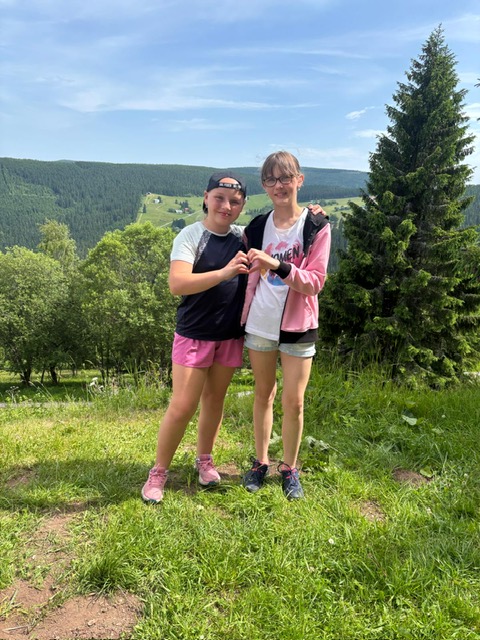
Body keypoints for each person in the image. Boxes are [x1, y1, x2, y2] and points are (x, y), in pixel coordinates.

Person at [142, 171, 250, 503]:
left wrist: (314, 216)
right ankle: (159, 471)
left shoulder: (244, 237)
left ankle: (205, 460)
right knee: (183, 406)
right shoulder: (190, 235)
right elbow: (178, 284)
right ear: (205, 197)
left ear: (242, 205)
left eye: (234, 201)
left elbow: (284, 227)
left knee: (214, 401)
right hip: (194, 335)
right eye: (219, 198)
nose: (226, 206)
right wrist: (225, 272)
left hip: (229, 336)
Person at [241, 151, 331, 500]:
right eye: (271, 179)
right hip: (260, 323)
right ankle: (260, 462)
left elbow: (315, 282)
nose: (279, 185)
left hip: (299, 325)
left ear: (299, 180)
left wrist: (276, 265)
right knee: (263, 394)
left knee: (294, 402)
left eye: (286, 178)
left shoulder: (315, 226)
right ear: (264, 185)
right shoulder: (255, 228)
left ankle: (290, 468)